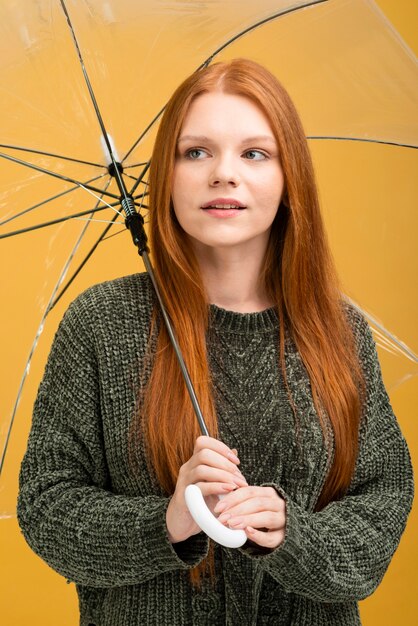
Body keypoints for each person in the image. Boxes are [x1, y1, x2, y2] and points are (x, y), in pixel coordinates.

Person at [17, 59, 413, 626]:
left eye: (254, 153)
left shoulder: (339, 331)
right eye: (196, 151)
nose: (224, 174)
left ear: (288, 178)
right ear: (167, 173)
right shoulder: (101, 324)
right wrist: (169, 520)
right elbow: (47, 509)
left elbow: (381, 508)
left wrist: (288, 533)